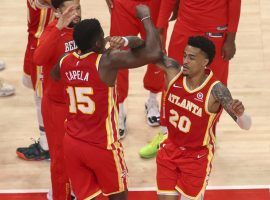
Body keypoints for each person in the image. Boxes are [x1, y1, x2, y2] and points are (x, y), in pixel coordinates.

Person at [52, 5, 162, 200]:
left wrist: (126, 40)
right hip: (102, 146)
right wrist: (145, 18)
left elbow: (54, 75)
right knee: (118, 197)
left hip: (73, 143)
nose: (105, 39)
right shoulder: (107, 61)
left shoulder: (63, 61)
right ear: (96, 43)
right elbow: (153, 52)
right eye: (102, 37)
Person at [139, 0, 242, 158]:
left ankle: (207, 135)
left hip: (215, 30)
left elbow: (234, 3)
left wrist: (231, 38)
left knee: (213, 85)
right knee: (173, 80)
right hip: (185, 26)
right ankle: (165, 133)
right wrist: (160, 27)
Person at [155, 36, 251, 200]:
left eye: (191, 58)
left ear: (204, 62)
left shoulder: (216, 90)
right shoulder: (173, 73)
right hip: (170, 149)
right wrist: (127, 41)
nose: (185, 61)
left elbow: (246, 125)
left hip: (196, 157)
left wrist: (241, 114)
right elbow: (149, 52)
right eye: (184, 55)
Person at [33, 0, 81, 199]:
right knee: (60, 160)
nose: (76, 12)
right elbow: (38, 59)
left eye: (78, 7)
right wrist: (59, 26)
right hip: (57, 106)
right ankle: (61, 194)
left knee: (78, 156)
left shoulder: (81, 30)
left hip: (77, 104)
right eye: (71, 9)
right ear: (58, 11)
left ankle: (75, 189)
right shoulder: (52, 31)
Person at [105, 0, 167, 138]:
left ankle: (152, 100)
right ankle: (119, 108)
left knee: (157, 52)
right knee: (117, 52)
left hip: (154, 4)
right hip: (123, 4)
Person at [16, 0, 54, 161]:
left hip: (44, 44)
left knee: (42, 97)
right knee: (37, 90)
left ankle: (46, 145)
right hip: (37, 41)